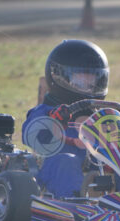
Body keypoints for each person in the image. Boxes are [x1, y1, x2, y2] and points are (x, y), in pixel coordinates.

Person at [22, 39, 115, 198]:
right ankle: (74, 201)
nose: (87, 85)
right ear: (57, 77)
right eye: (80, 80)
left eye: (91, 80)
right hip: (53, 174)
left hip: (92, 174)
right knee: (67, 161)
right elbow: (30, 135)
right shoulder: (45, 111)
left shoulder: (97, 117)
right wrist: (54, 121)